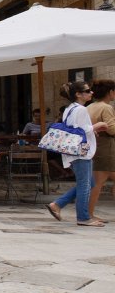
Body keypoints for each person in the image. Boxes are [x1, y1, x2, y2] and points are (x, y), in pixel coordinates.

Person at [46, 81, 105, 227]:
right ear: (78, 94)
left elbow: (75, 128)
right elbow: (83, 129)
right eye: (87, 91)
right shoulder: (81, 109)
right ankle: (83, 217)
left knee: (88, 183)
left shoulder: (69, 108)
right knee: (85, 185)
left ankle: (57, 205)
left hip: (73, 150)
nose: (91, 93)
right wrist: (99, 125)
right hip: (81, 151)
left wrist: (92, 130)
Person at [86, 80, 115, 221]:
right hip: (105, 147)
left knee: (97, 182)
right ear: (110, 92)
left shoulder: (90, 106)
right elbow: (111, 129)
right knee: (98, 183)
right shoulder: (106, 108)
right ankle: (89, 214)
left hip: (94, 146)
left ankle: (89, 213)